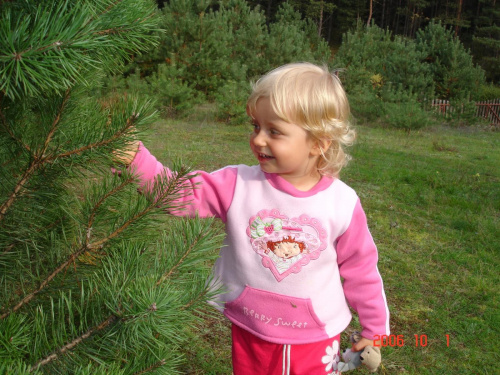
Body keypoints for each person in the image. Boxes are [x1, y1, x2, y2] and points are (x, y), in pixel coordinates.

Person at [116, 62, 390, 375]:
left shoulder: (341, 203)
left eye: (274, 131)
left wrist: (375, 330)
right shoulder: (237, 185)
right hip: (249, 325)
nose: (259, 139)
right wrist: (134, 160)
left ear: (318, 143)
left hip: (312, 336)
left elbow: (362, 272)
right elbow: (180, 194)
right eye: (256, 126)